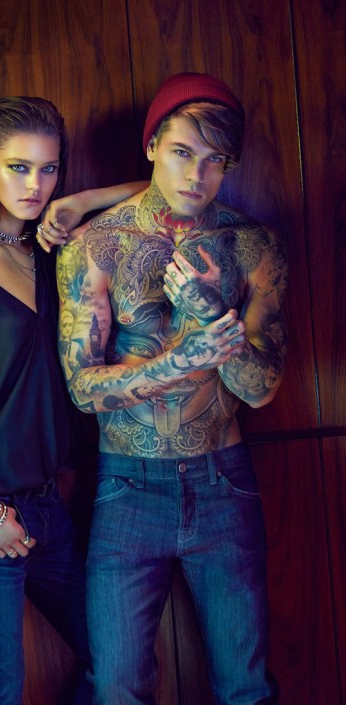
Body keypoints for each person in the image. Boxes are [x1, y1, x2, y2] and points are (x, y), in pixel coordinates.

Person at [56, 73, 288, 704]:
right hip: (127, 487)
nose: (197, 174)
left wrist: (213, 316)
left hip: (224, 482)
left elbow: (263, 390)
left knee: (246, 688)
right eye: (183, 151)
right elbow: (83, 389)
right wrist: (182, 360)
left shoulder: (253, 246)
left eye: (216, 160)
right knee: (119, 689)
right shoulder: (94, 247)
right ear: (153, 145)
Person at [0, 95, 146, 705]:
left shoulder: (52, 252)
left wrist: (79, 202)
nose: (35, 185)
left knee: (112, 658)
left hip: (47, 507)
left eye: (48, 168)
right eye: (18, 167)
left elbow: (161, 194)